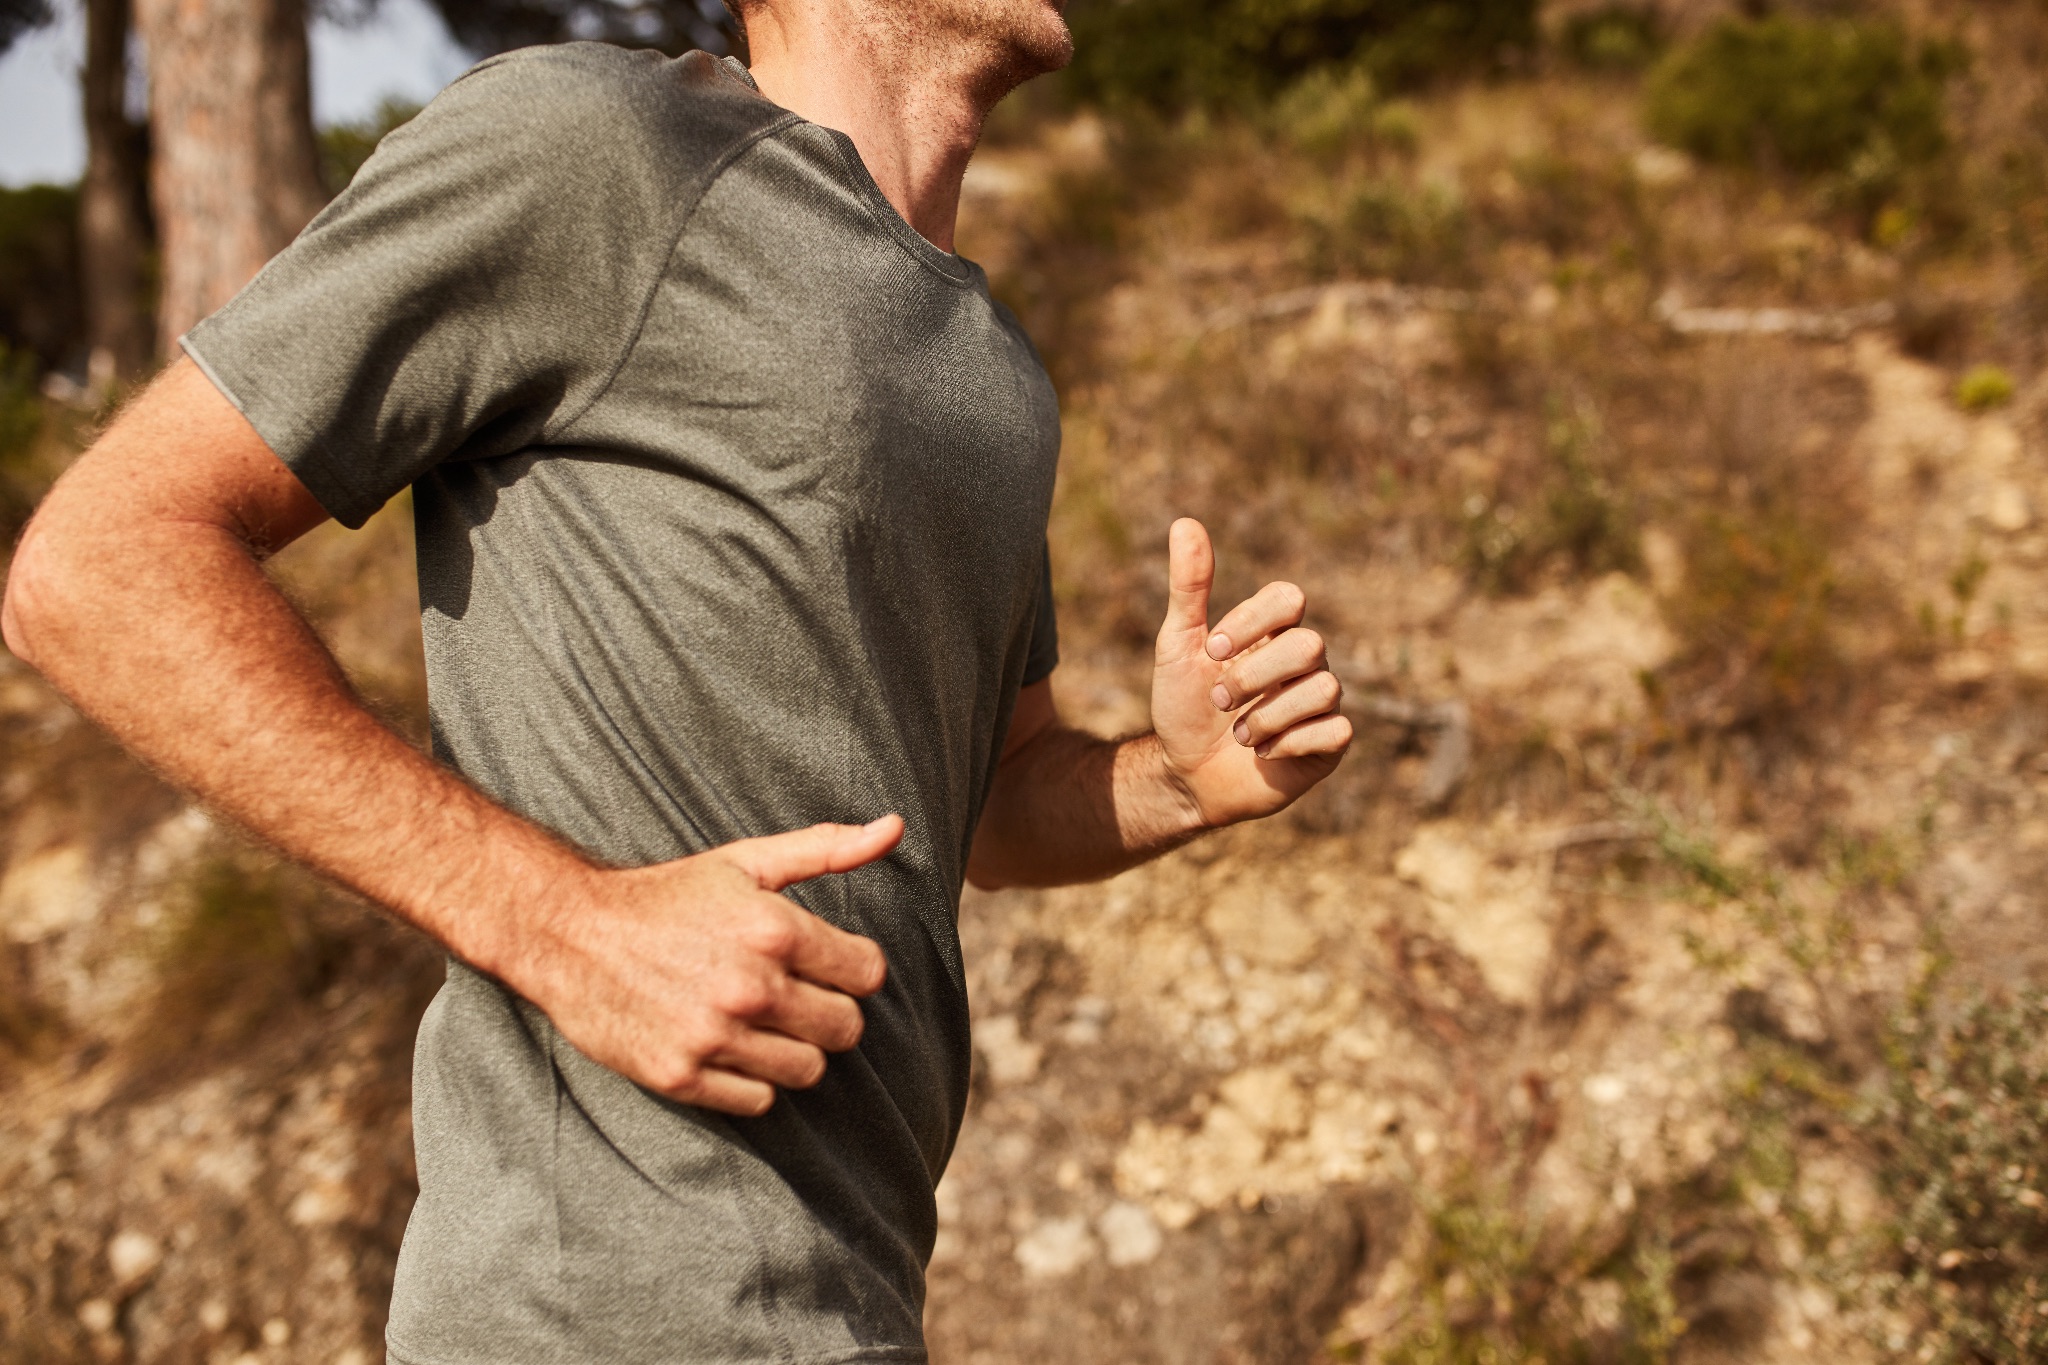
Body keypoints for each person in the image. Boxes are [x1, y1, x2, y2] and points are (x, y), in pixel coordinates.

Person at [2, 0, 1352, 1358]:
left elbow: (988, 803)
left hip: (855, 1309)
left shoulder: (994, 374)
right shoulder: (598, 149)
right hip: (587, 1309)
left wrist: (1178, 780)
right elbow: (99, 564)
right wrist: (558, 921)